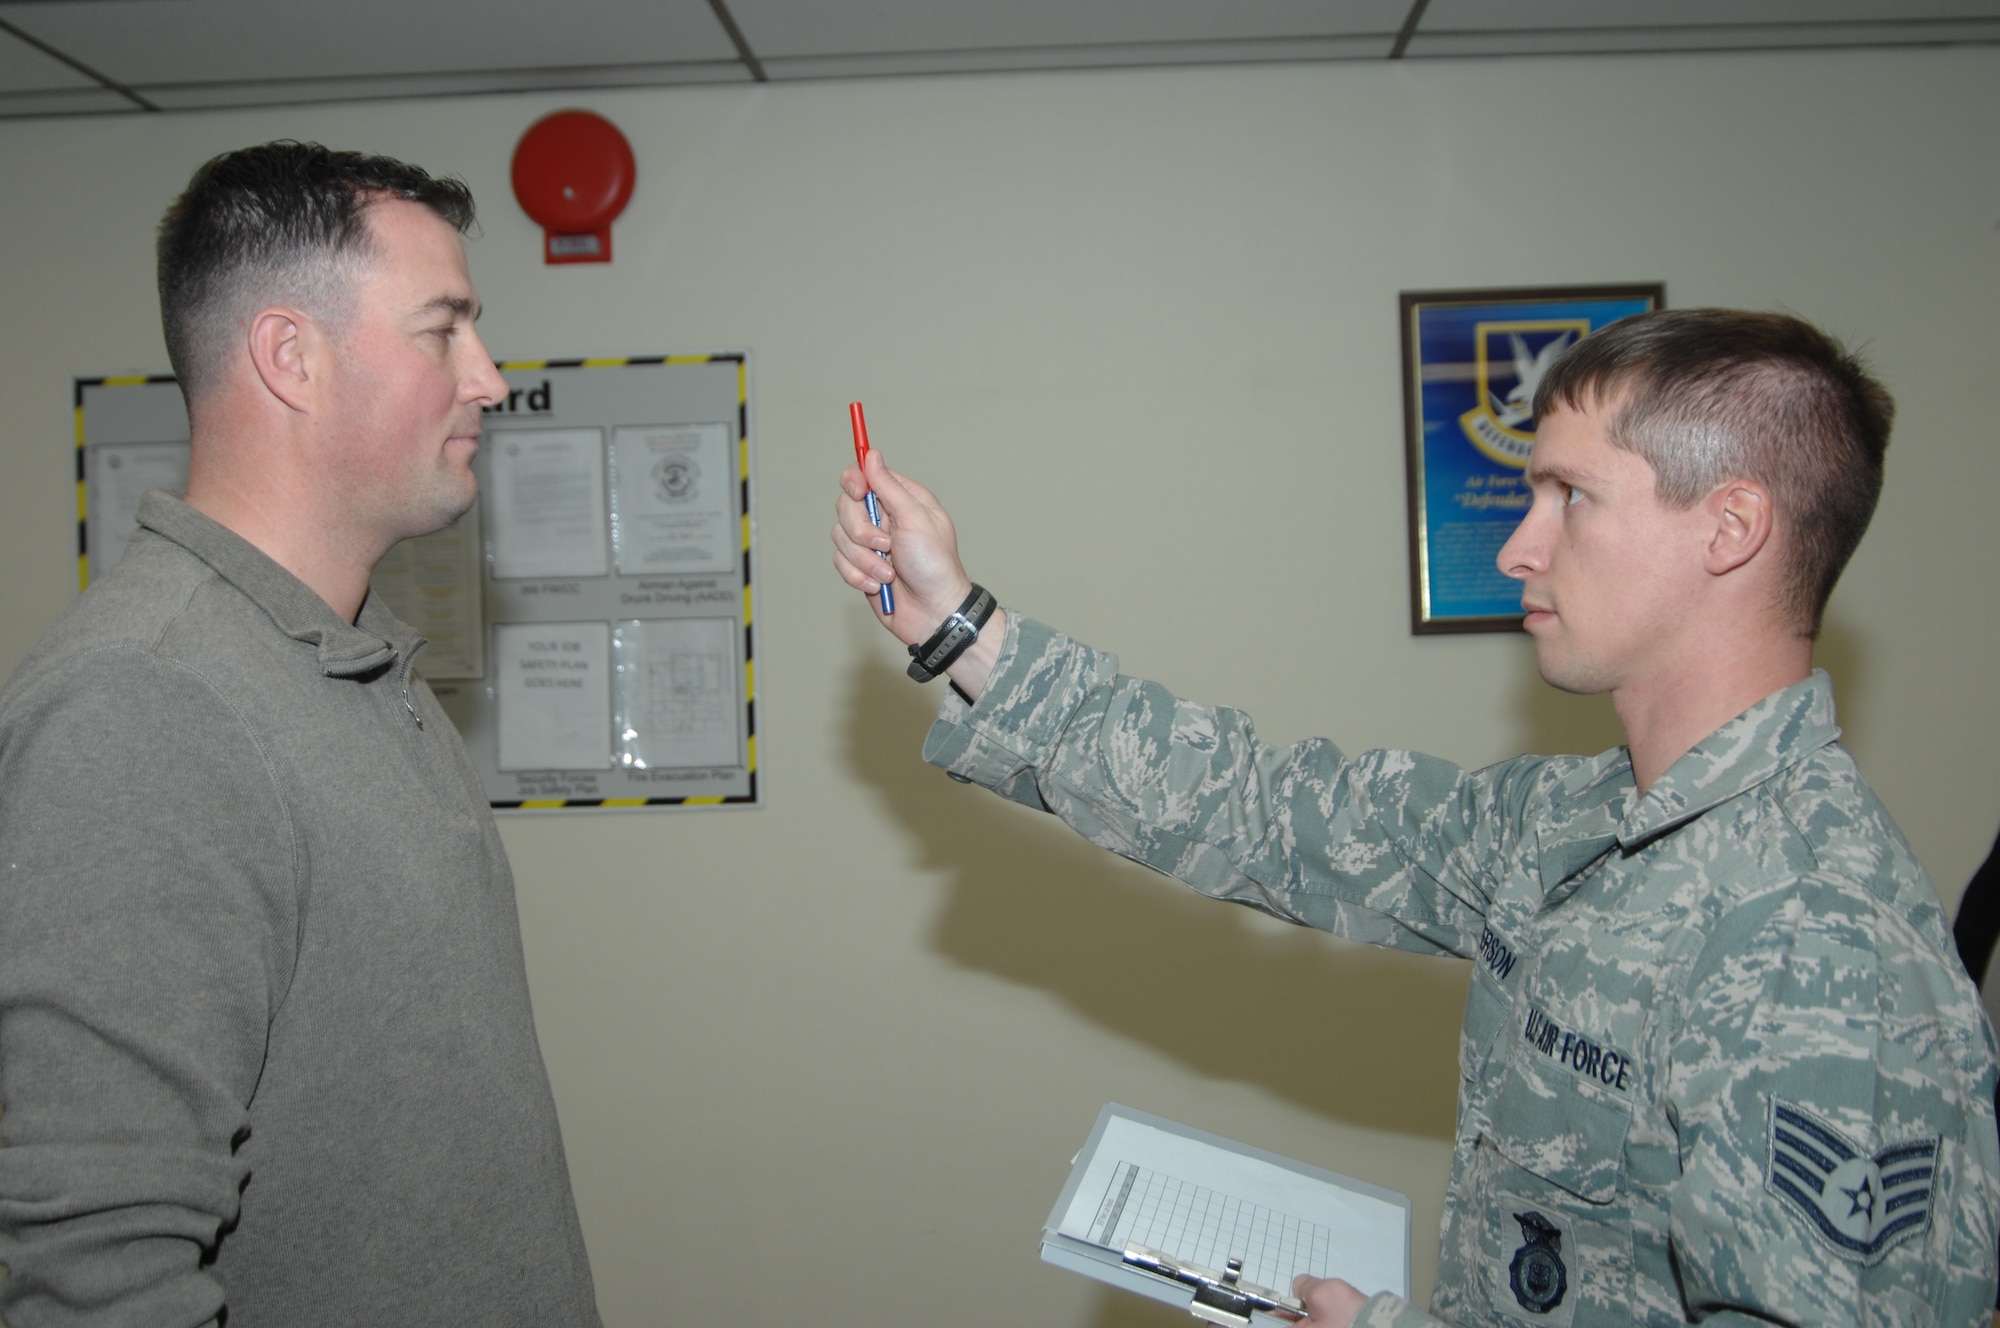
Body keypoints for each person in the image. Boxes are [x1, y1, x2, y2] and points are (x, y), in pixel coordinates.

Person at [832, 309, 2000, 1327]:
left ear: (1728, 527)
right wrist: (959, 624)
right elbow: (1264, 807)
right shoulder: (1575, 820)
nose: (1514, 544)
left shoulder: (1820, 946)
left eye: (1570, 496)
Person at [0, 143, 601, 1327]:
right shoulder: (146, 702)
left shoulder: (352, 657)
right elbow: (96, 1270)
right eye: (444, 329)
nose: (487, 376)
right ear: (291, 357)